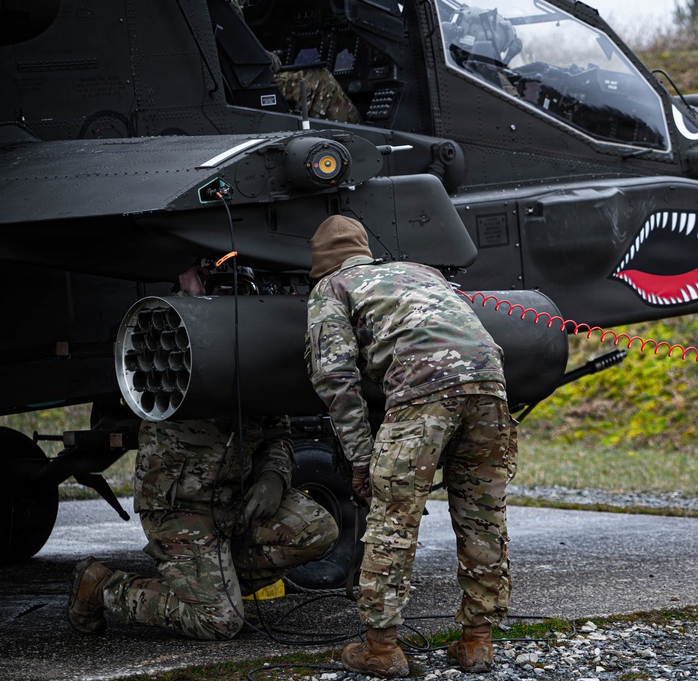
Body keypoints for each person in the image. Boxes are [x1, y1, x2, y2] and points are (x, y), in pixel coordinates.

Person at [67, 266, 339, 640]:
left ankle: (215, 589)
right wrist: (187, 293)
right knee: (218, 623)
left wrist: (273, 478)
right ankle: (101, 585)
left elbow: (278, 430)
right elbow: (166, 320)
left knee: (316, 530)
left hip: (238, 496)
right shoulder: (175, 331)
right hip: (182, 505)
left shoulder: (254, 345)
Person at [306, 215, 516, 678]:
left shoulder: (332, 288)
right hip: (490, 386)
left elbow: (335, 379)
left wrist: (361, 460)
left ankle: (381, 650)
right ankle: (477, 642)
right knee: (482, 516)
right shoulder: (422, 271)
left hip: (424, 393)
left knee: (393, 521)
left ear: (320, 264)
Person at [225, 0, 362, 124]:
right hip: (244, 84)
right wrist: (275, 58)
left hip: (228, 84)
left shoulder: (205, 3)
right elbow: (250, 57)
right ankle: (363, 139)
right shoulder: (217, 6)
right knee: (319, 79)